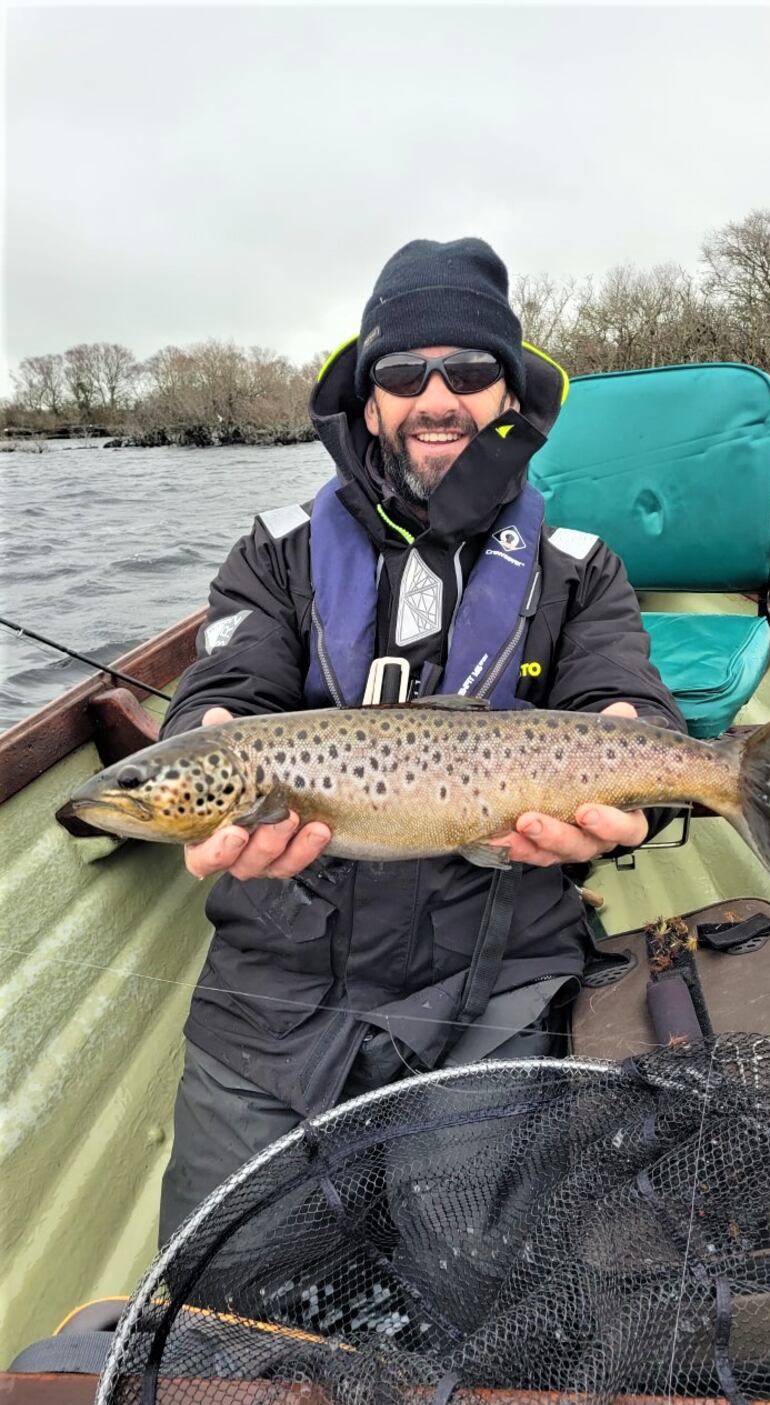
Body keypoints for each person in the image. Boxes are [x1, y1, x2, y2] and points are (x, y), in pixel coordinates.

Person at [157, 237, 685, 1243]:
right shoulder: (269, 556)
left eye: (469, 370)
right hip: (271, 987)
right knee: (224, 1271)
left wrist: (629, 790)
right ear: (366, 401)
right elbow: (220, 690)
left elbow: (628, 705)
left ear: (508, 399)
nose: (435, 397)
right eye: (403, 373)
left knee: (475, 1269)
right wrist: (207, 734)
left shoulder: (580, 570)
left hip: (499, 977)